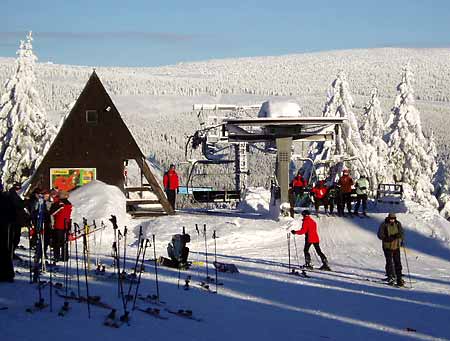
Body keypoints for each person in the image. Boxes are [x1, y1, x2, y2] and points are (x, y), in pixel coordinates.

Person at [377, 213, 404, 286]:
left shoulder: (398, 224)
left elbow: (401, 233)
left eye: (393, 218)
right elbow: (379, 235)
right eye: (391, 218)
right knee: (389, 262)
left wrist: (401, 240)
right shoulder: (384, 224)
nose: (392, 220)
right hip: (387, 246)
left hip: (396, 245)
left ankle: (399, 277)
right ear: (388, 218)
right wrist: (387, 238)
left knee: (397, 262)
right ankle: (390, 276)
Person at [50, 190, 72, 262]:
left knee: (57, 242)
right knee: (64, 242)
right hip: (66, 224)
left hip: (59, 224)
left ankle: (57, 256)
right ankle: (64, 256)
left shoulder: (59, 203)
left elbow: (52, 213)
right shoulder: (68, 204)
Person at [8, 182, 28, 258]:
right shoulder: (12, 195)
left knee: (15, 237)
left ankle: (12, 252)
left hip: (16, 219)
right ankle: (11, 252)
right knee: (14, 238)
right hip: (14, 220)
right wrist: (26, 202)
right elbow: (18, 206)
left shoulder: (14, 195)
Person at [0, 189, 16, 282]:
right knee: (5, 251)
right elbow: (13, 214)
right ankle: (8, 274)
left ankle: (7, 274)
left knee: (4, 250)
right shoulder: (7, 198)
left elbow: (12, 214)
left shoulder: (6, 199)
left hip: (4, 227)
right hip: (5, 227)